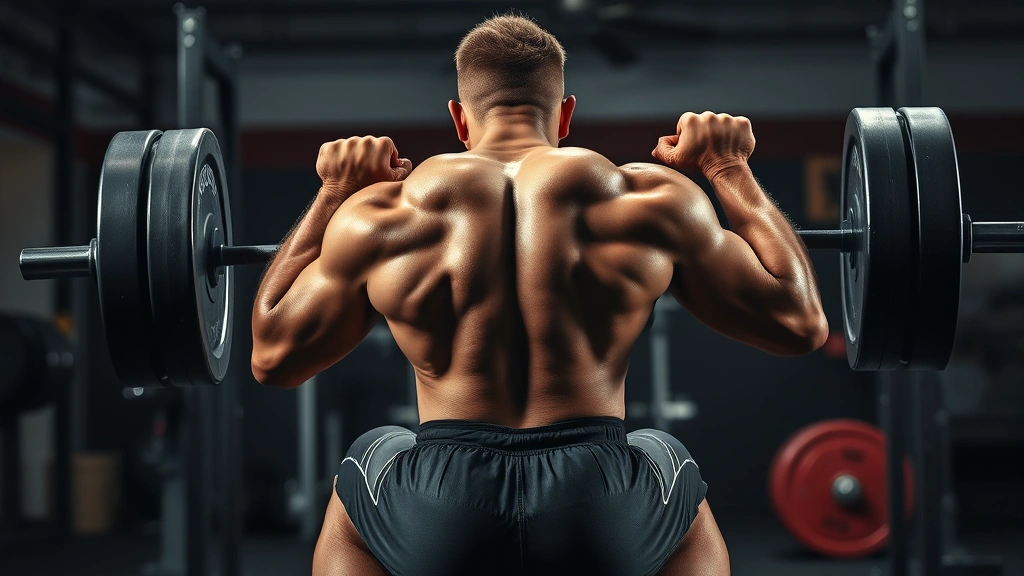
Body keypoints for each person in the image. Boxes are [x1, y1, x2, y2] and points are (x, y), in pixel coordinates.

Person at [251, 13, 827, 576]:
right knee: (662, 455)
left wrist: (332, 194)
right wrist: (729, 169)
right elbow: (799, 324)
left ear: (459, 118)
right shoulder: (647, 198)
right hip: (599, 508)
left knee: (369, 458)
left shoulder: (382, 214)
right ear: (566, 113)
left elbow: (272, 356)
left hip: (441, 511)